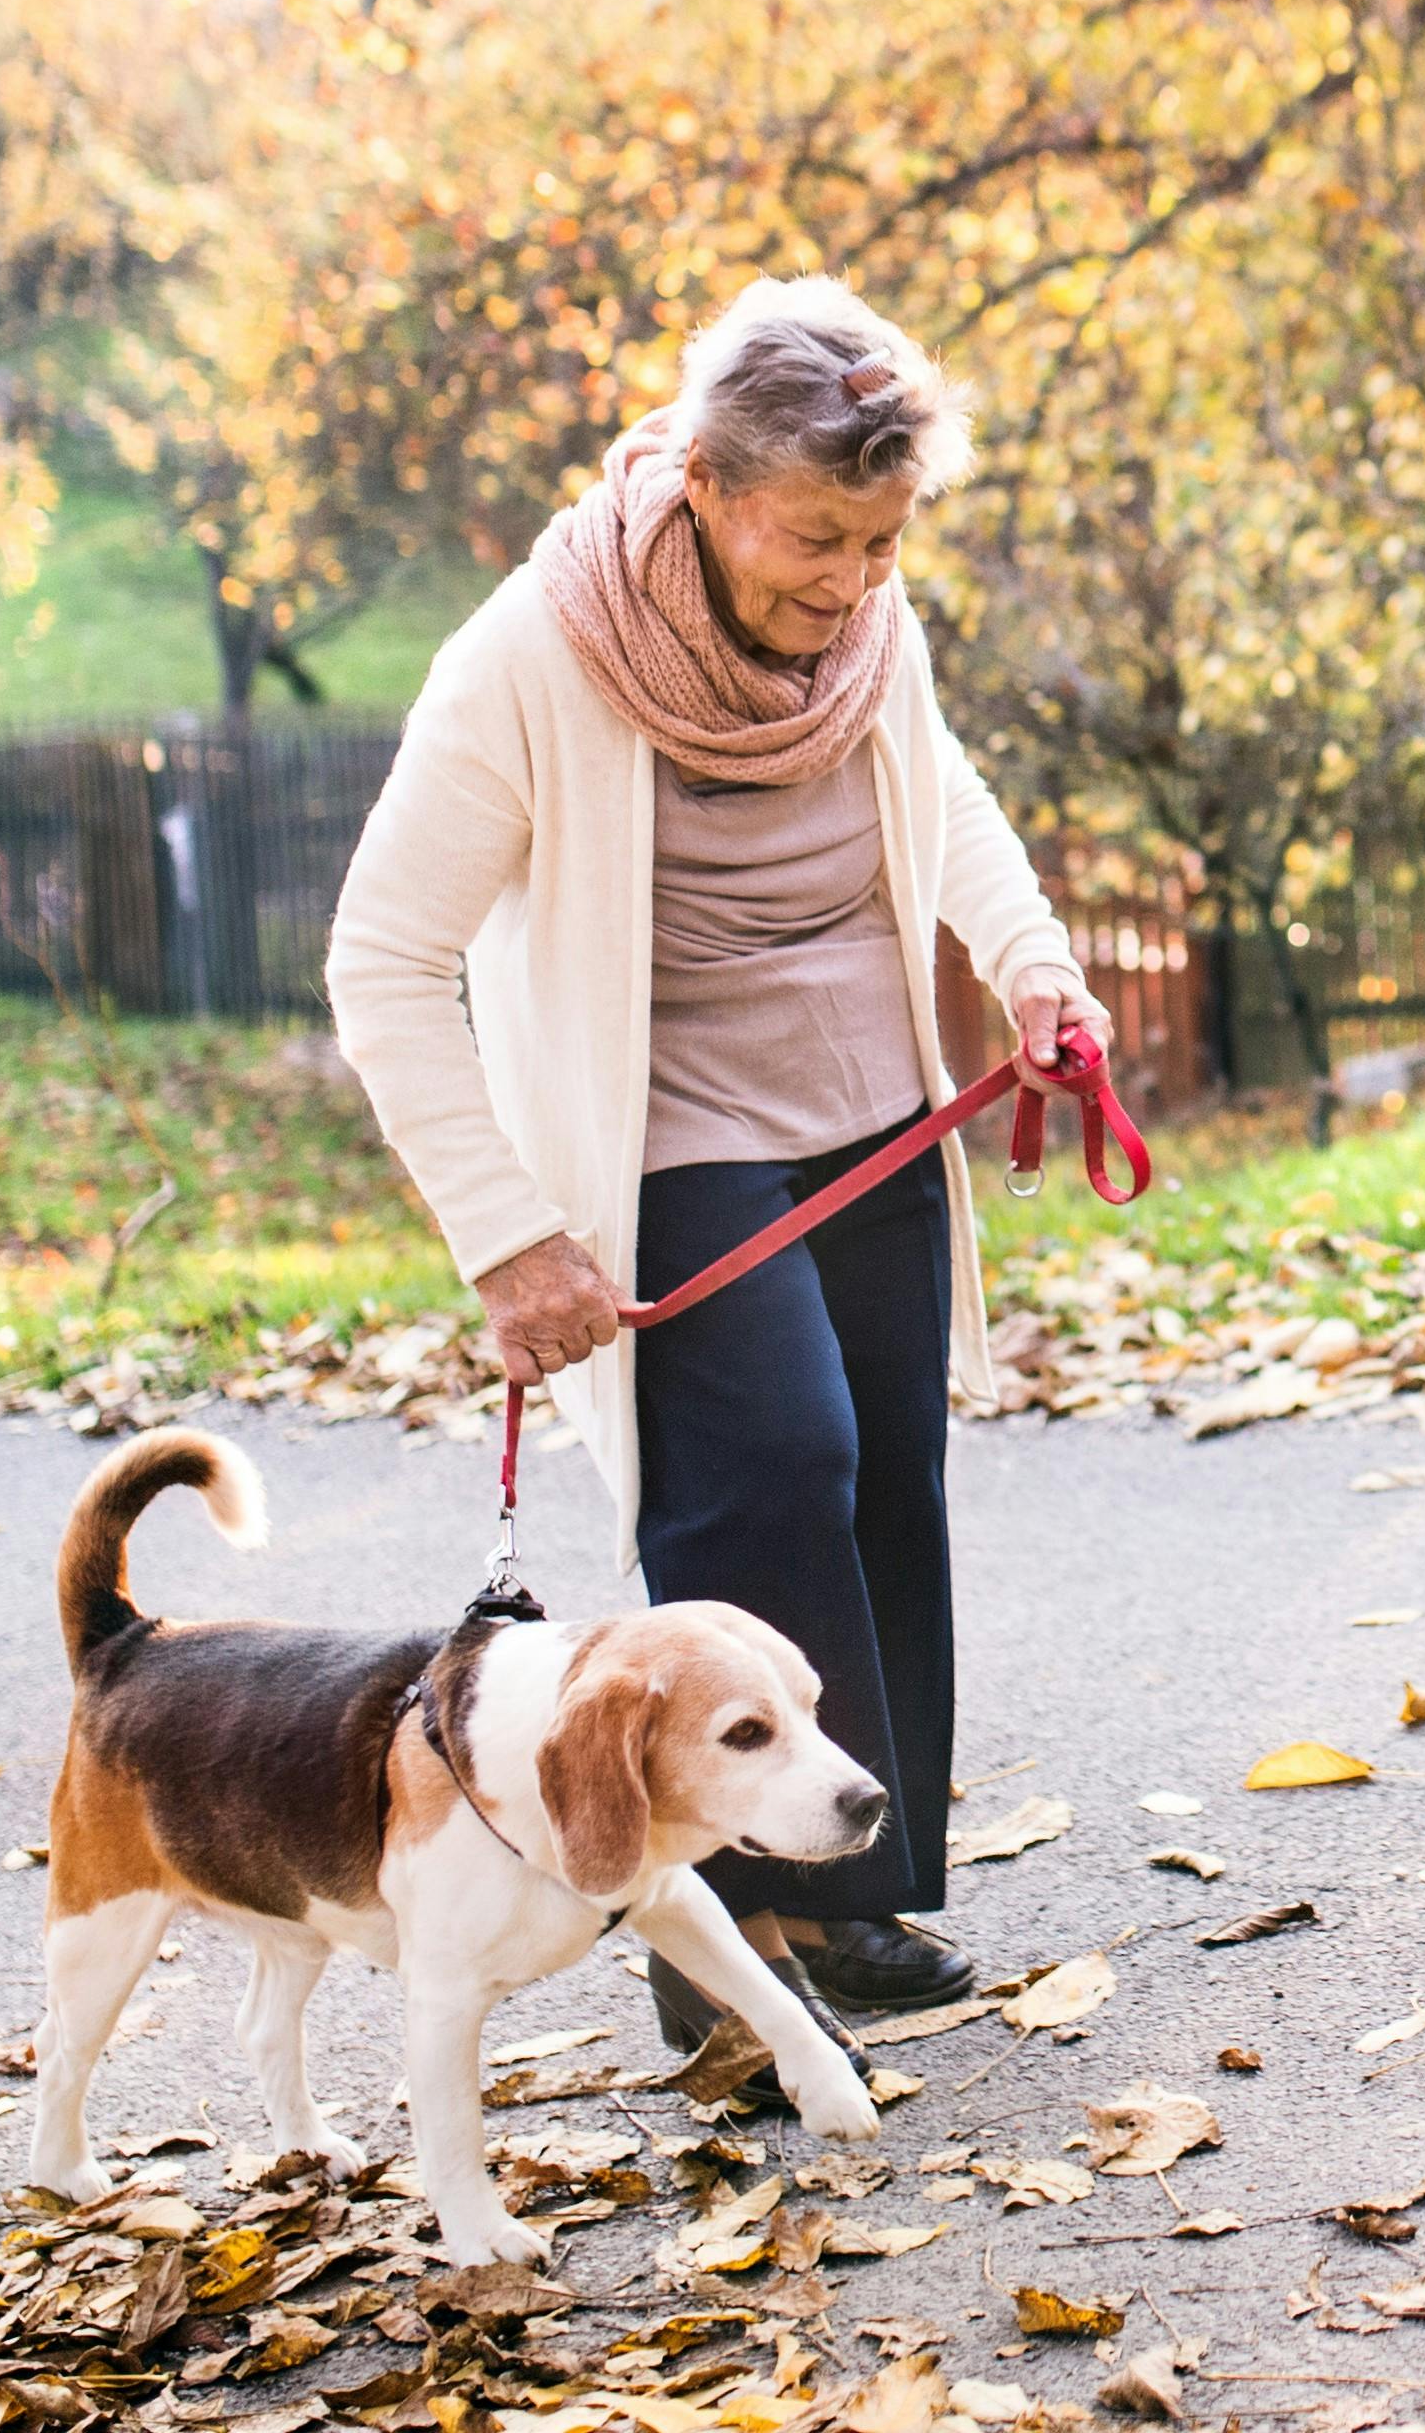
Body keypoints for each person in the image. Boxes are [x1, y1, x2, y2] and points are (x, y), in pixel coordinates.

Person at [326, 274, 1109, 2067]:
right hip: (664, 1129)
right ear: (701, 481)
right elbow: (380, 962)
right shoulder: (534, 658)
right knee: (771, 1469)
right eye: (817, 537)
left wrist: (1033, 962)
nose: (850, 579)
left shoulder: (868, 627)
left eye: (885, 539)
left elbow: (945, 793)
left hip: (864, 1110)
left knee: (885, 1486)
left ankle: (851, 1895)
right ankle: (722, 1956)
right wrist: (510, 1232)